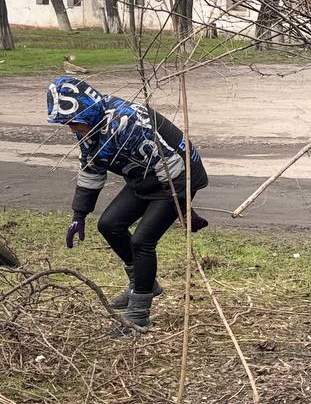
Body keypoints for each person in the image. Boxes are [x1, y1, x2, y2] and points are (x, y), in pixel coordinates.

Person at [46, 76, 208, 331]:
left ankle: (138, 313)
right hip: (143, 179)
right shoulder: (90, 128)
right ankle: (144, 283)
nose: (72, 129)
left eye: (73, 122)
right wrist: (79, 214)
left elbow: (172, 163)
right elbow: (91, 169)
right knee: (110, 225)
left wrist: (183, 208)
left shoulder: (127, 122)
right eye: (68, 124)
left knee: (142, 241)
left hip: (178, 177)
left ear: (88, 108)